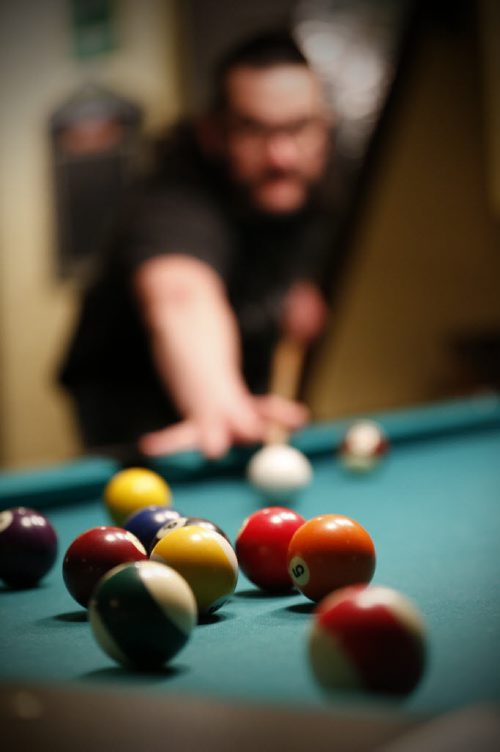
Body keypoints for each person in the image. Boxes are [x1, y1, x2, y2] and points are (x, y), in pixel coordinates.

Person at [59, 30, 344, 460]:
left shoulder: (314, 185)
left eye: (299, 127)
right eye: (253, 130)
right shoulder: (172, 198)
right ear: (213, 133)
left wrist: (294, 290)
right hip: (133, 399)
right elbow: (180, 295)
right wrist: (216, 400)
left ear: (324, 126)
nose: (281, 156)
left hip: (237, 391)